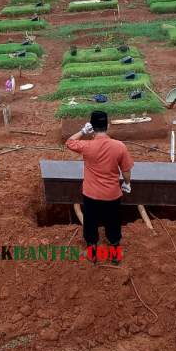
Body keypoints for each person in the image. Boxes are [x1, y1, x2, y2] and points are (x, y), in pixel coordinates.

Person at [66, 110, 134, 264]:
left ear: (92, 127)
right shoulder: (119, 146)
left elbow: (69, 142)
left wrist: (83, 131)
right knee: (113, 223)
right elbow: (126, 171)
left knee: (90, 223)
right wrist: (127, 183)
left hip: (91, 195)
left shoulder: (86, 145)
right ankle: (115, 254)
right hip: (112, 195)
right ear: (108, 126)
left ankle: (92, 253)